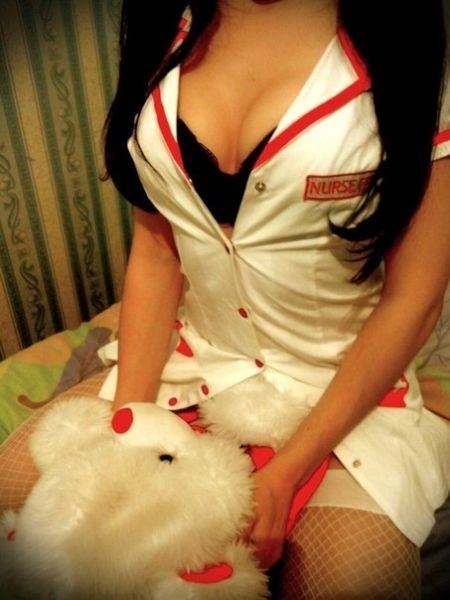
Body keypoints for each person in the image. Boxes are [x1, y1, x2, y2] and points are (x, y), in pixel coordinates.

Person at [102, 0, 450, 597]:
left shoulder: (406, 71)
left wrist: (286, 474)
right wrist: (127, 429)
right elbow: (157, 255)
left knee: (354, 584)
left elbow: (413, 302)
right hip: (193, 364)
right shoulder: (164, 35)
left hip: (343, 397)